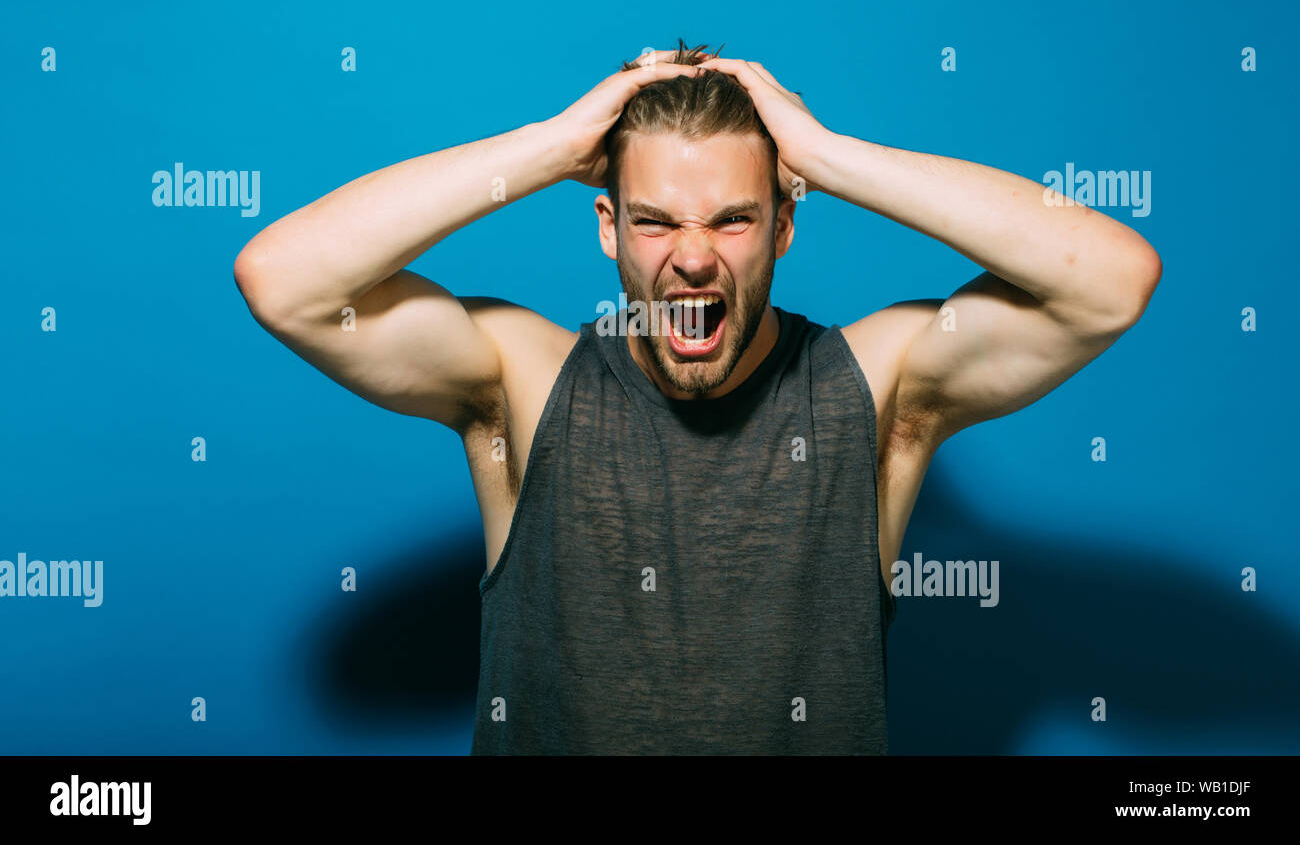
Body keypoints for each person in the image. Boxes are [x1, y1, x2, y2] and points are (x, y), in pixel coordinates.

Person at [233, 40, 1161, 754]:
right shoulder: (524, 379)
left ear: (785, 224)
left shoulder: (874, 389)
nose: (691, 254)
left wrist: (827, 154)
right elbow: (284, 280)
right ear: (608, 227)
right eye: (654, 220)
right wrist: (555, 145)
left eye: (732, 217)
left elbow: (1111, 281)